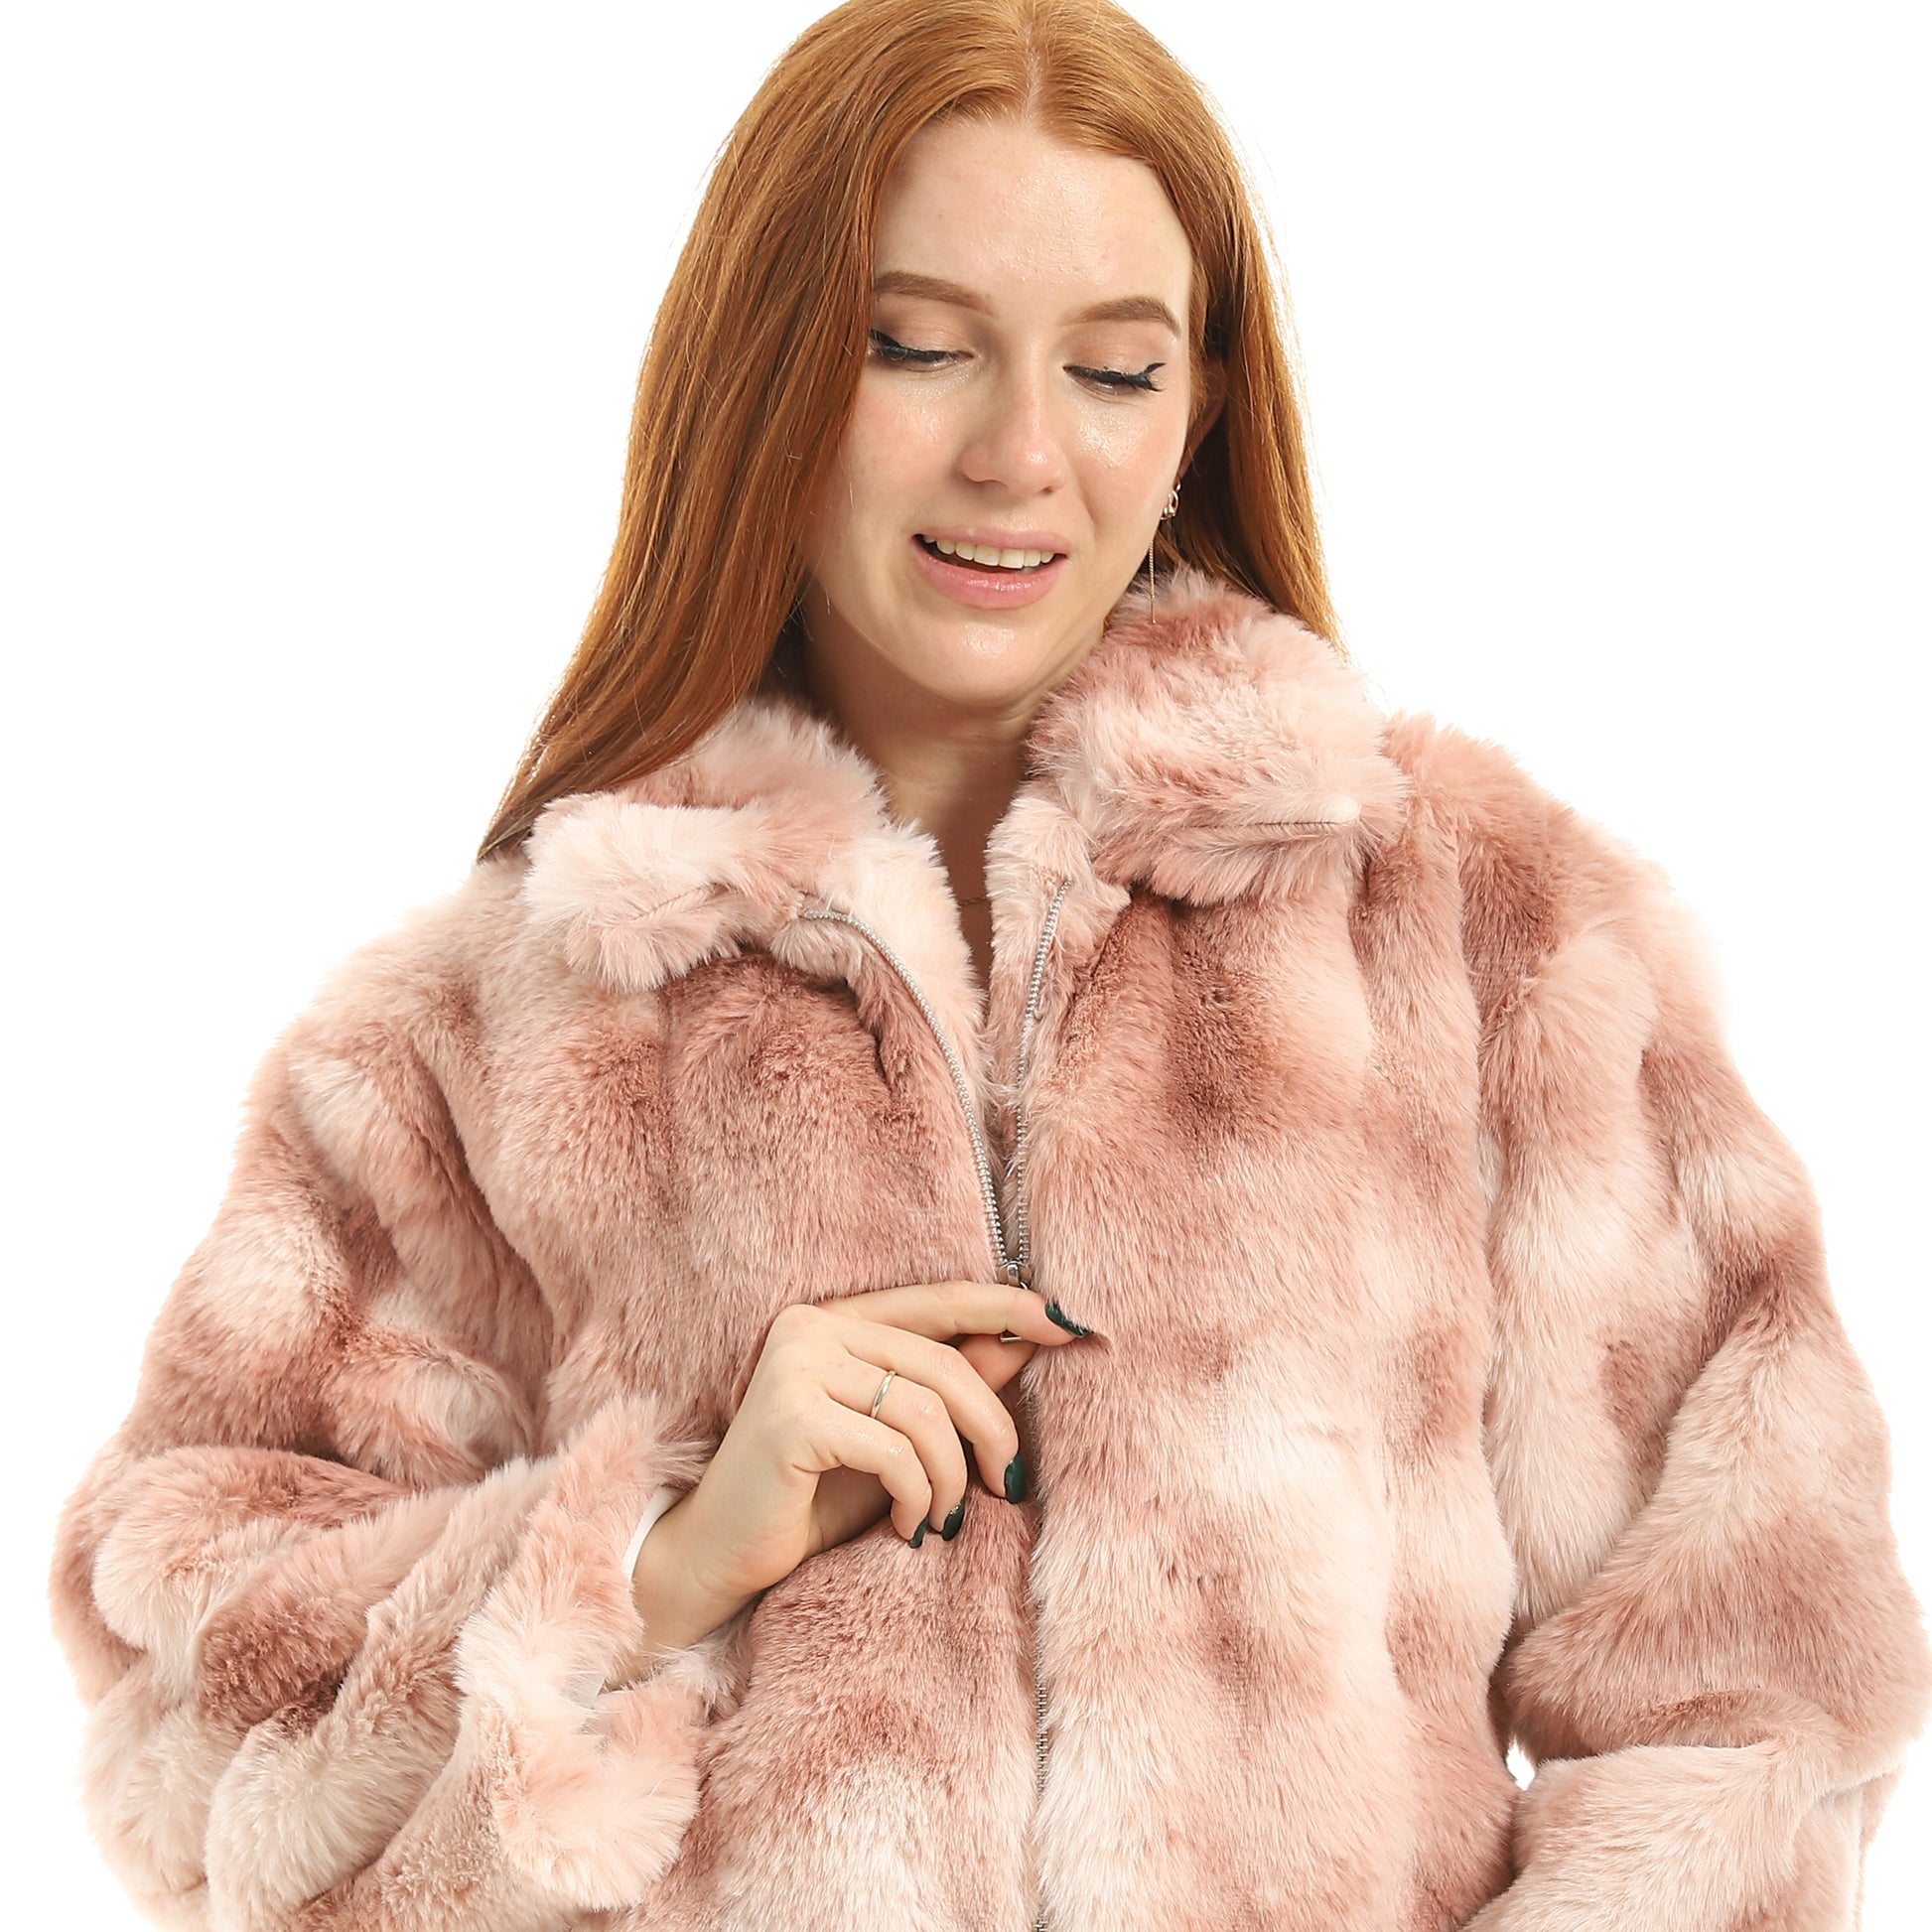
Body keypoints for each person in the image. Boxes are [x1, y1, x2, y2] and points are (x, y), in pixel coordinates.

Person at [50, 1, 1927, 1926]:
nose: (1020, 453)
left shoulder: (1486, 946)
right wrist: (654, 1560)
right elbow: (191, 1752)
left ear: (1196, 409)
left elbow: (1762, 1693)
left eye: (1112, 369)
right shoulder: (467, 1045)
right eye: (916, 345)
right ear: (770, 372)